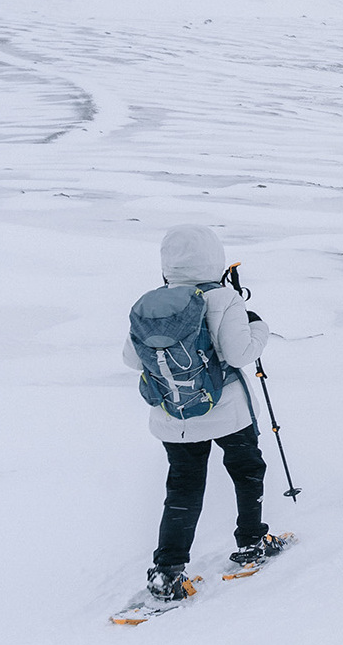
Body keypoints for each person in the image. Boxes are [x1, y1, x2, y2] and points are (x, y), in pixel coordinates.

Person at [122, 224, 286, 603]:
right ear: (214, 257)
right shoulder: (224, 298)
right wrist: (258, 327)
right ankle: (251, 541)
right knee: (247, 471)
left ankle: (167, 572)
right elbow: (239, 354)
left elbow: (131, 359)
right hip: (228, 411)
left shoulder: (152, 304)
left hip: (173, 417)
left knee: (183, 488)